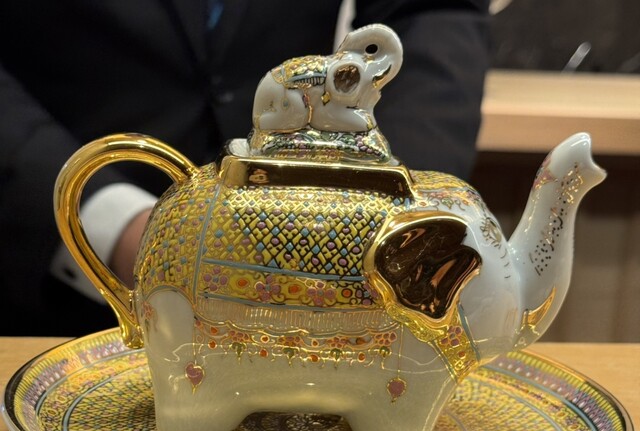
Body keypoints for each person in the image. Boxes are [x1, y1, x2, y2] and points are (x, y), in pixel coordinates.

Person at [0, 1, 491, 337]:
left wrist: (391, 220)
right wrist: (123, 229)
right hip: (47, 297)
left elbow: (428, 11)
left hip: (353, 304)